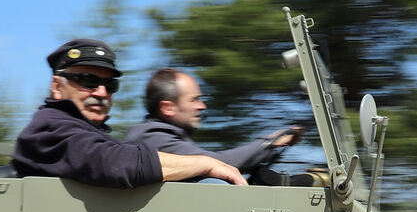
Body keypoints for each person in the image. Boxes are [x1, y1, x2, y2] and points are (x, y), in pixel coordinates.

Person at [11, 40, 246, 187]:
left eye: (110, 85)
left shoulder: (82, 132)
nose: (102, 93)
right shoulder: (50, 127)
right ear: (56, 86)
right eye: (87, 81)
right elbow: (114, 162)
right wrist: (205, 164)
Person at [124, 68, 327, 186]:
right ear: (168, 108)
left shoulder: (165, 136)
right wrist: (269, 143)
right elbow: (216, 163)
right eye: (194, 100)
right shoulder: (152, 138)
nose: (202, 106)